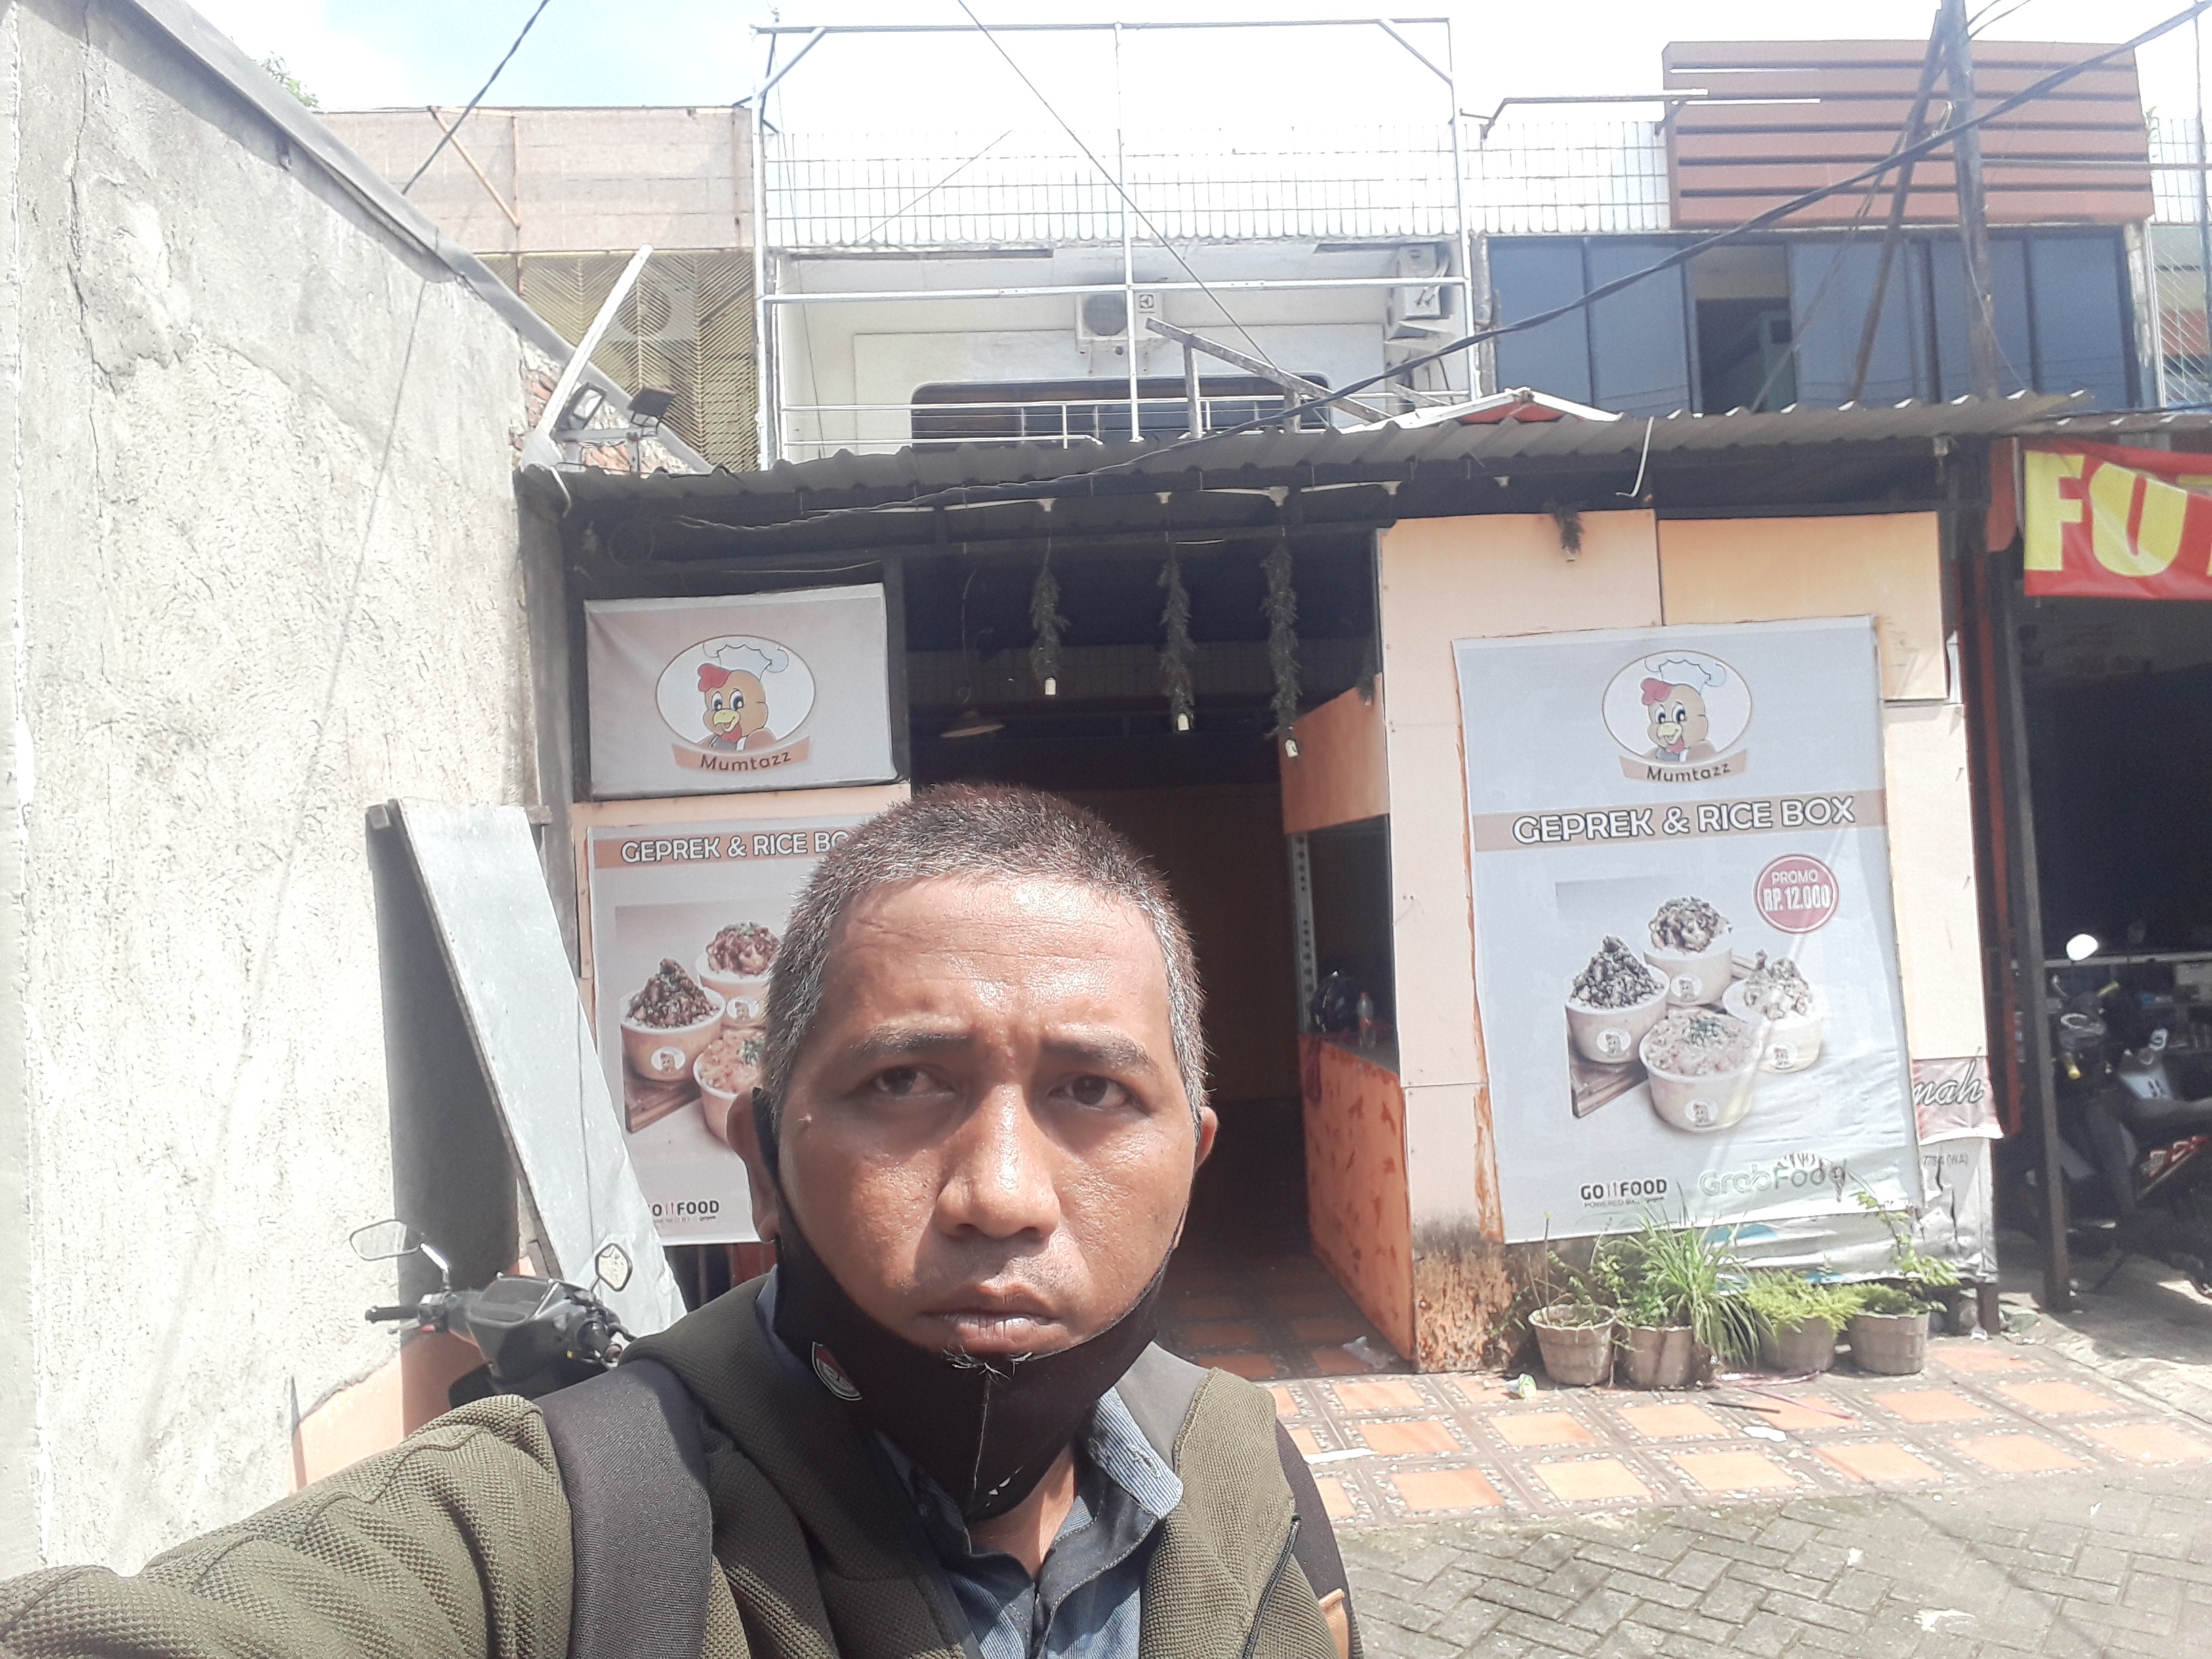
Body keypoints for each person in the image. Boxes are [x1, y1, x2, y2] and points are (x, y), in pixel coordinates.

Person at [0, 785, 1355, 1659]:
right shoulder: (558, 1533)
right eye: (902, 1083)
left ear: (1192, 1163)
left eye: (1093, 1092)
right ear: (763, 1157)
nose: (1000, 1193)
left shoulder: (1245, 1480)